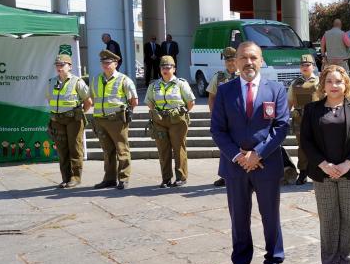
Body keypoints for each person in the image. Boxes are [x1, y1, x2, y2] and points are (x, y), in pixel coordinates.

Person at [210, 41, 291, 264]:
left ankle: (274, 261)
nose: (249, 63)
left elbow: (281, 126)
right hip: (235, 167)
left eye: (253, 58)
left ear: (261, 60)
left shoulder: (275, 89)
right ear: (235, 62)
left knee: (270, 216)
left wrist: (257, 154)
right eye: (243, 58)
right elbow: (217, 129)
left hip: (266, 165)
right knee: (239, 217)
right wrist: (238, 156)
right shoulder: (225, 91)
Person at [300, 64, 350, 264]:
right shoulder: (312, 109)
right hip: (323, 174)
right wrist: (323, 165)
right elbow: (306, 141)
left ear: (346, 84)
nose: (334, 85)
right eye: (329, 81)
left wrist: (348, 164)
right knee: (328, 219)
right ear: (323, 84)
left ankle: (348, 261)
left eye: (338, 81)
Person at [145, 55, 196, 188]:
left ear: (174, 69)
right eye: (163, 67)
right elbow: (149, 102)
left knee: (178, 149)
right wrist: (156, 113)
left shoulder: (180, 83)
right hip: (160, 121)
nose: (165, 69)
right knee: (163, 150)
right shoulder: (154, 85)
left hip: (177, 120)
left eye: (168, 67)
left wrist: (182, 113)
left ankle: (181, 177)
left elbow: (191, 102)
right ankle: (166, 178)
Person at [90, 50, 138, 190]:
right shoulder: (96, 79)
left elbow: (134, 101)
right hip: (100, 120)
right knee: (107, 151)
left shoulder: (124, 79)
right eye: (103, 63)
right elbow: (91, 98)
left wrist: (126, 113)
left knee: (122, 149)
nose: (105, 65)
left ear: (115, 64)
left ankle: (123, 178)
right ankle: (109, 179)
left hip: (117, 120)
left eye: (108, 63)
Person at [46, 53, 92, 189]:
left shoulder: (77, 82)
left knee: (75, 148)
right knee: (62, 149)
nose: (59, 68)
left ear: (69, 66)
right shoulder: (51, 82)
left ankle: (75, 178)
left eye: (62, 65)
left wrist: (80, 113)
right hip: (57, 120)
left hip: (73, 120)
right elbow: (50, 99)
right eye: (57, 65)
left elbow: (88, 101)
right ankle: (65, 178)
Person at [207, 47, 240, 187]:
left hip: (240, 118)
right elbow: (211, 98)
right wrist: (214, 116)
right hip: (223, 118)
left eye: (232, 60)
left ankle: (239, 173)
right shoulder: (219, 77)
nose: (230, 63)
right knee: (224, 148)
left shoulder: (243, 75)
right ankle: (225, 175)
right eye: (227, 61)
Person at [288, 54, 321, 185]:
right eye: (302, 65)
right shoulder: (294, 83)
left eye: (308, 65)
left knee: (318, 144)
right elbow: (289, 101)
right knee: (302, 146)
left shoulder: (320, 81)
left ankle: (319, 170)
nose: (305, 67)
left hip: (315, 118)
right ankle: (303, 172)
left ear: (313, 66)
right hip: (299, 119)